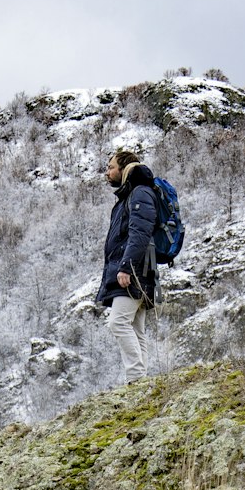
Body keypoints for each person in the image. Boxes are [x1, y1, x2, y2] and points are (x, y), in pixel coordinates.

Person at [96, 148, 158, 384]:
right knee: (135, 327)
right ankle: (140, 382)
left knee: (118, 322)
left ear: (124, 169)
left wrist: (125, 267)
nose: (107, 172)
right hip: (139, 269)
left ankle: (135, 378)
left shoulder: (140, 193)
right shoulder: (132, 195)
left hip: (133, 272)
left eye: (111, 167)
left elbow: (140, 234)